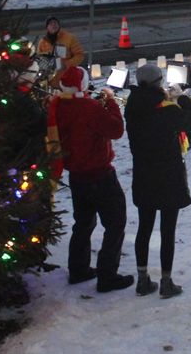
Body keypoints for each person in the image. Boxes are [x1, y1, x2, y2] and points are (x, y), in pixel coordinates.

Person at [125, 63, 191, 298]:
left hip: (143, 173)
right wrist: (182, 98)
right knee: (167, 230)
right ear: (159, 82)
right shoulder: (167, 110)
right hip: (168, 174)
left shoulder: (133, 106)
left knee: (144, 227)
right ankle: (166, 281)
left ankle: (142, 279)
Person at [48, 66, 130, 291]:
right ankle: (107, 274)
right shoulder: (88, 107)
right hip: (99, 174)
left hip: (76, 175)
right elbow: (115, 129)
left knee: (83, 223)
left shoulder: (58, 105)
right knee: (115, 222)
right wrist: (111, 101)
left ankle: (78, 269)